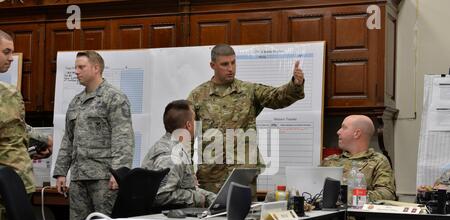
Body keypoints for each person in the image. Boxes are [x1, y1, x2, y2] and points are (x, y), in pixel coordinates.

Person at [188, 44, 305, 193]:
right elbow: (187, 135)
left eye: (233, 62)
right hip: (211, 177)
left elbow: (277, 97)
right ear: (212, 65)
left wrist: (295, 84)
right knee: (211, 216)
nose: (230, 68)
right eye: (225, 64)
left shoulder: (248, 91)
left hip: (242, 174)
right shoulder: (198, 96)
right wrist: (188, 171)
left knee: (245, 215)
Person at [53, 51, 134, 220]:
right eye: (75, 67)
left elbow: (123, 137)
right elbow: (68, 138)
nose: (76, 71)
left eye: (81, 67)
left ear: (96, 68)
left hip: (103, 178)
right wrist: (61, 173)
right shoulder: (76, 101)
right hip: (78, 178)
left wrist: (119, 173)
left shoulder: (114, 97)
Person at [0, 30, 51, 220]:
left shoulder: (6, 92)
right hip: (7, 185)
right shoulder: (8, 92)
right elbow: (14, 132)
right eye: (6, 52)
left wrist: (41, 139)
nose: (11, 58)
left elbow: (16, 126)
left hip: (13, 181)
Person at [142, 100, 216, 208]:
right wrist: (198, 198)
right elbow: (161, 195)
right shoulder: (171, 157)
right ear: (188, 125)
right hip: (165, 219)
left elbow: (186, 188)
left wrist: (213, 198)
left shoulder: (173, 146)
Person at [322, 115, 396, 202]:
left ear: (357, 133)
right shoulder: (330, 161)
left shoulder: (378, 161)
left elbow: (387, 194)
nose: (338, 132)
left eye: (344, 128)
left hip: (357, 214)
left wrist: (351, 196)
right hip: (327, 214)